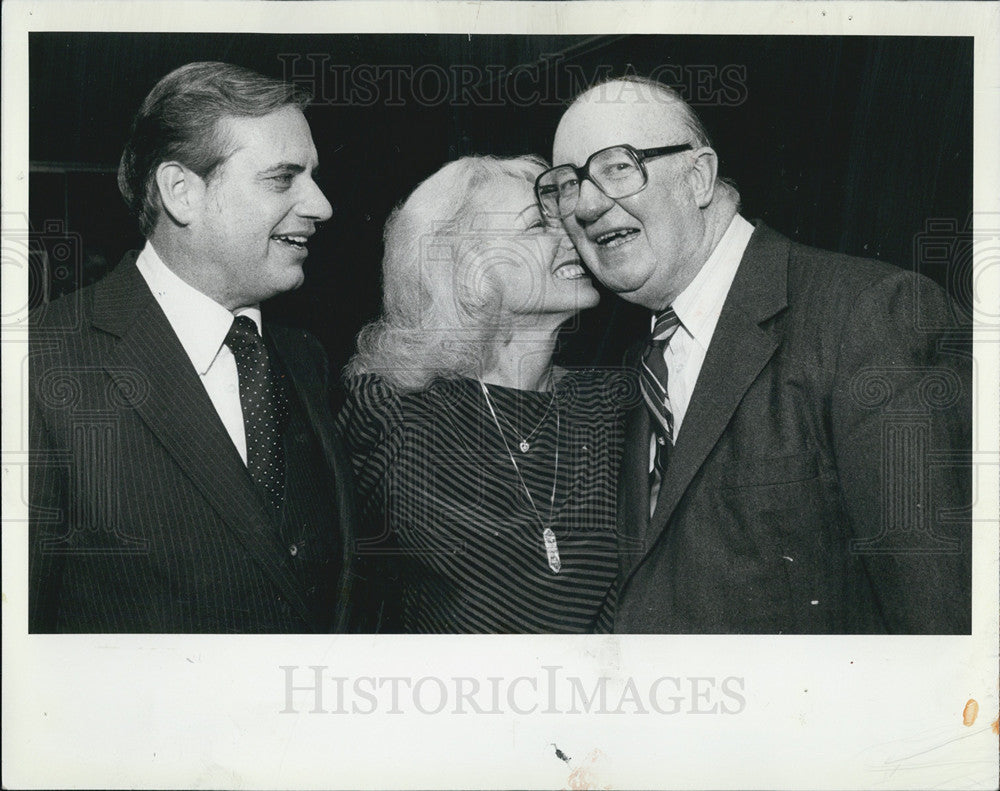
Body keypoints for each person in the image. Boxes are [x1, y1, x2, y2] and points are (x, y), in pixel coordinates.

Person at [539, 76, 972, 634]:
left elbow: (941, 622)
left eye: (618, 167)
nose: (589, 205)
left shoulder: (868, 316)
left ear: (698, 177)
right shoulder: (640, 365)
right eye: (567, 185)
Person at [29, 62, 358, 633]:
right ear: (181, 192)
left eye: (314, 175)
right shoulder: (41, 362)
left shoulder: (306, 359)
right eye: (283, 178)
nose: (322, 205)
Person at [336, 155, 629, 633]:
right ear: (464, 267)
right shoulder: (393, 414)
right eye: (539, 225)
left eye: (566, 220)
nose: (573, 235)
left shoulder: (611, 405)